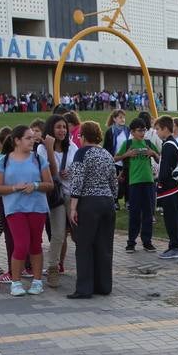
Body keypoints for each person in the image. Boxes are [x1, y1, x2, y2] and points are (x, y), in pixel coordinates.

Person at [0, 125, 54, 296]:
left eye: (33, 138)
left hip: (37, 207)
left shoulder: (39, 159)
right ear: (17, 140)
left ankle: (37, 281)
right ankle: (16, 281)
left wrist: (34, 186)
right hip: (14, 209)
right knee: (21, 244)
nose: (32, 141)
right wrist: (14, 188)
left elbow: (49, 184)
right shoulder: (4, 160)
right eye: (28, 138)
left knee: (35, 244)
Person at [65, 121, 117, 299]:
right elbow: (114, 182)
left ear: (83, 137)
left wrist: (73, 207)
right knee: (104, 246)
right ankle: (103, 285)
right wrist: (112, 198)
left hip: (89, 203)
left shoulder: (81, 153)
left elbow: (77, 181)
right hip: (107, 202)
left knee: (84, 246)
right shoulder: (107, 154)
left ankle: (84, 288)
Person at [38, 115, 74, 287]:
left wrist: (70, 172)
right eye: (58, 127)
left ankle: (85, 266)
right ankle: (53, 268)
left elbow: (77, 169)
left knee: (78, 233)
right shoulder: (42, 149)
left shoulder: (72, 147)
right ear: (51, 129)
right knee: (58, 233)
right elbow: (51, 171)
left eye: (64, 127)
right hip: (56, 196)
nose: (62, 131)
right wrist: (50, 148)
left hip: (72, 194)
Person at [115, 118, 157, 252]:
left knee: (148, 213)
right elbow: (115, 158)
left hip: (149, 181)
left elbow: (158, 157)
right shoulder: (128, 143)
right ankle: (131, 242)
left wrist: (153, 153)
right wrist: (127, 154)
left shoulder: (148, 143)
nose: (142, 133)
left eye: (144, 129)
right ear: (132, 132)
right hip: (134, 182)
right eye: (140, 130)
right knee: (134, 213)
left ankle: (147, 241)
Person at [153, 115, 178, 260]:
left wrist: (158, 182)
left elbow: (165, 170)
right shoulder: (172, 142)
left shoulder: (167, 145)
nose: (156, 132)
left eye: (158, 129)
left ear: (166, 129)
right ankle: (176, 245)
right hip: (175, 187)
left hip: (169, 189)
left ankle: (175, 247)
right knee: (175, 217)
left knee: (171, 218)